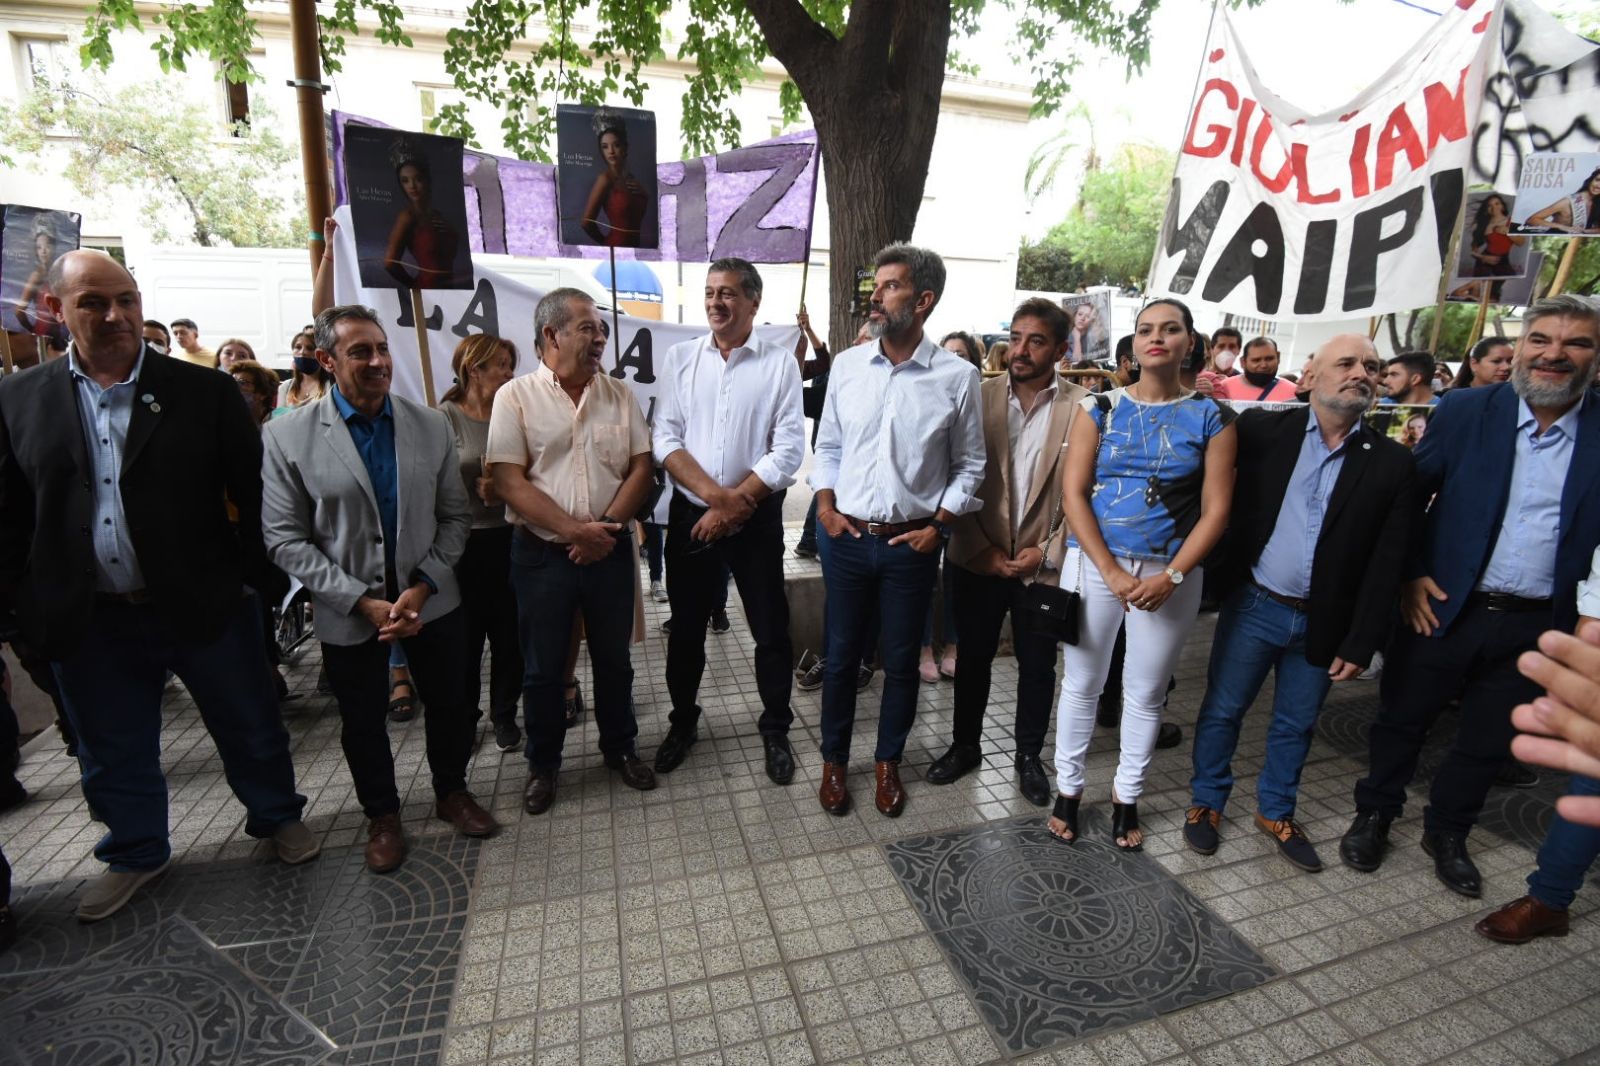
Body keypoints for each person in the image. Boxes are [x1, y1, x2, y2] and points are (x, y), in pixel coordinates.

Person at [0, 250, 315, 921]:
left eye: (127, 300)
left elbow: (254, 491)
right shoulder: (20, 399)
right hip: (91, 618)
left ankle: (277, 816)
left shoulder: (203, 392)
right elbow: (11, 515)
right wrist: (25, 607)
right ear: (56, 310)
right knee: (110, 746)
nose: (116, 316)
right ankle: (136, 851)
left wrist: (252, 583)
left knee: (249, 722)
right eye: (94, 302)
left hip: (205, 603)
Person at [1341, 295, 1600, 898]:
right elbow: (1408, 497)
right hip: (1443, 606)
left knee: (1488, 740)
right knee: (1401, 720)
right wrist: (1409, 574)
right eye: (1541, 339)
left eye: (1576, 343)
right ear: (1523, 345)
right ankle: (1375, 814)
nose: (1555, 354)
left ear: (1596, 356)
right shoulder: (1464, 410)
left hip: (1542, 623)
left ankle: (1448, 831)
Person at [262, 304, 496, 873]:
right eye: (360, 351)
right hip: (349, 611)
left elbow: (455, 518)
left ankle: (451, 791)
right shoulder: (287, 434)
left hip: (431, 602)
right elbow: (284, 538)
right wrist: (357, 600)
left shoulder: (429, 424)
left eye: (382, 348)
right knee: (363, 720)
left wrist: (425, 584)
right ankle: (383, 816)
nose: (377, 362)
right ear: (326, 360)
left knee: (452, 704)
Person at [1183, 335, 1415, 871]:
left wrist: (1363, 640)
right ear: (1309, 378)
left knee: (1297, 723)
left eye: (1371, 366)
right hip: (1254, 605)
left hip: (1326, 621)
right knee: (1223, 710)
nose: (1360, 373)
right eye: (1346, 363)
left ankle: (1276, 810)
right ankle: (1206, 801)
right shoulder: (1261, 431)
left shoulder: (1392, 463)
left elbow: (1388, 562)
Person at [1048, 298, 1237, 850]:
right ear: (1132, 343)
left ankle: (1127, 796)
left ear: (1189, 343)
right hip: (1093, 566)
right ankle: (1068, 790)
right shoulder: (1100, 407)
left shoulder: (1214, 416)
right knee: (1081, 683)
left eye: (1170, 329)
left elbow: (1217, 511)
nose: (1156, 338)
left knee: (1146, 691)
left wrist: (1172, 577)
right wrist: (1108, 569)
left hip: (1169, 574)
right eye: (1146, 329)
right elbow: (1073, 494)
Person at [810, 243, 985, 818]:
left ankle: (888, 761)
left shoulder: (957, 377)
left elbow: (970, 465)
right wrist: (826, 507)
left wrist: (939, 527)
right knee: (840, 657)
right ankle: (835, 761)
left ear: (923, 299)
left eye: (891, 286)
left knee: (903, 661)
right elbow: (828, 446)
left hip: (912, 544)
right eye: (877, 285)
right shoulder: (847, 366)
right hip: (847, 539)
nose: (876, 296)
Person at [488, 288, 657, 815]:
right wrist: (573, 531)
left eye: (601, 328)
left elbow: (641, 468)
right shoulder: (514, 397)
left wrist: (606, 528)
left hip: (608, 551)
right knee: (542, 669)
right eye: (588, 327)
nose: (600, 337)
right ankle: (544, 764)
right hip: (542, 556)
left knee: (614, 661)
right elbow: (508, 481)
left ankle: (620, 748)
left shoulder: (619, 394)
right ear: (551, 335)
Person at [929, 298, 1088, 805]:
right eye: (1016, 338)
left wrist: (1048, 550)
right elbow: (951, 475)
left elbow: (1086, 493)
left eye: (1036, 341)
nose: (1020, 350)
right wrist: (980, 549)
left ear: (1060, 350)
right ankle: (965, 746)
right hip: (977, 558)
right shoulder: (975, 398)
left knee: (1038, 666)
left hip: (1042, 568)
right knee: (972, 658)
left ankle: (1028, 757)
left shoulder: (1084, 408)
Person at [651, 259, 805, 784]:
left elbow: (789, 448)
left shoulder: (779, 364)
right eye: (711, 292)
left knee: (769, 627)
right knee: (686, 628)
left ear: (754, 302)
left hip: (755, 517)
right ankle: (683, 723)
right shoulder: (682, 358)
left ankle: (776, 726)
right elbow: (665, 437)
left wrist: (737, 503)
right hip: (692, 516)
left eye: (729, 293)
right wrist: (717, 500)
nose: (716, 302)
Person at [438, 333, 527, 754]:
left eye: (511, 365)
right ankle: (465, 716)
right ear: (475, 369)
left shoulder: (516, 413)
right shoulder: (444, 418)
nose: (510, 374)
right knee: (466, 639)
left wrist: (505, 489)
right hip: (463, 544)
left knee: (510, 635)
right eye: (502, 365)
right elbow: (431, 482)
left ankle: (505, 714)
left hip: (511, 537)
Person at [383, 143, 467, 289]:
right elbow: (390, 263)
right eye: (405, 180)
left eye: (418, 179)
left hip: (450, 290)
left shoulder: (437, 215)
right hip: (428, 290)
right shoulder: (407, 217)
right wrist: (415, 287)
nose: (412, 186)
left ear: (427, 179)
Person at [793, 310, 837, 560]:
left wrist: (807, 331)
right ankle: (810, 539)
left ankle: (810, 540)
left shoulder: (793, 367)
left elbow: (822, 362)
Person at [580, 117, 648, 248]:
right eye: (605, 147)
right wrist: (607, 244)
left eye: (616, 145)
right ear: (601, 151)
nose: (611, 151)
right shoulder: (605, 179)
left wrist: (644, 194)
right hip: (616, 250)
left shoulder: (631, 179)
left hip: (636, 250)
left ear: (625, 147)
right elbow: (586, 223)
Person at [1449, 194, 1527, 300]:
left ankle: (1476, 298)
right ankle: (1473, 298)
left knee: (1497, 294)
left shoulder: (1512, 222)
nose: (1494, 207)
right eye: (1490, 205)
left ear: (1502, 206)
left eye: (1497, 204)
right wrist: (1483, 257)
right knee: (1479, 292)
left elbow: (1521, 242)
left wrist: (1508, 232)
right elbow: (1473, 251)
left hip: (1503, 261)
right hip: (1484, 261)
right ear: (1487, 209)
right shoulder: (1484, 225)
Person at [12, 219, 65, 345]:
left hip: (58, 335)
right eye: (39, 247)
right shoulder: (37, 276)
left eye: (47, 246)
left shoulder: (59, 272)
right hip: (43, 334)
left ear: (54, 247)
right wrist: (33, 331)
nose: (43, 251)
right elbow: (19, 311)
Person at [1213, 337, 1298, 402]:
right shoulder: (1222, 388)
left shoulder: (1294, 393)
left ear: (1278, 357)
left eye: (1269, 359)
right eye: (1256, 360)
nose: (1263, 365)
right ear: (1243, 362)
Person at [1520, 166, 1600, 235]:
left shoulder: (1596, 203)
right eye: (1597, 180)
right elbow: (1532, 220)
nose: (1598, 186)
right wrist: (1562, 227)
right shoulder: (1567, 202)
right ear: (1591, 180)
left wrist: (1585, 231)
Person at [229, 359, 280, 426]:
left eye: (242, 383)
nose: (234, 386)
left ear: (262, 393)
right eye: (233, 382)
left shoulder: (278, 420)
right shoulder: (228, 416)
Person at [1064, 300, 1108, 366]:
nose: (1082, 318)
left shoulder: (1093, 338)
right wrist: (1077, 339)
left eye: (1087, 316)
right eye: (1080, 314)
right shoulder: (1066, 339)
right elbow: (1077, 364)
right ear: (1075, 316)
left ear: (1091, 321)